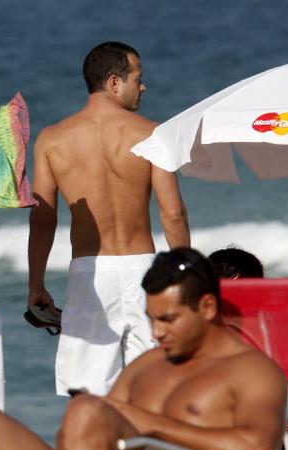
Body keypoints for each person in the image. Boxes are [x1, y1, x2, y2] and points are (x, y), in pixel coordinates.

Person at [0, 248, 287, 450]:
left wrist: (144, 423)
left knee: (89, 411)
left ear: (208, 308)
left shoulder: (251, 370)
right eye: (151, 319)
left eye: (168, 319)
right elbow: (99, 431)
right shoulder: (148, 364)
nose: (156, 332)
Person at [28, 41, 190, 396]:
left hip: (90, 274)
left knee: (88, 397)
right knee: (155, 389)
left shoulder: (51, 140)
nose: (143, 86)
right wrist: (185, 275)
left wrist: (36, 284)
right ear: (115, 83)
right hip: (146, 273)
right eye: (138, 78)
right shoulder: (151, 134)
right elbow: (173, 214)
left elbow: (43, 219)